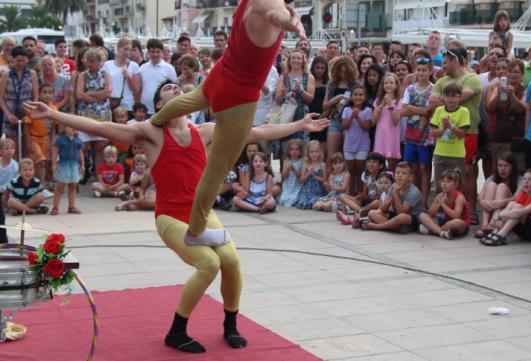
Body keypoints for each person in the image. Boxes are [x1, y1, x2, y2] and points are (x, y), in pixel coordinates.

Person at [24, 79, 329, 353]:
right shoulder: (149, 133)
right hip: (170, 216)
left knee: (232, 261)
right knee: (208, 263)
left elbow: (256, 132)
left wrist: (300, 124)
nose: (177, 90)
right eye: (169, 89)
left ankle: (230, 325)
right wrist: (52, 114)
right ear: (160, 105)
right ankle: (177, 331)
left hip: (202, 214)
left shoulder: (205, 131)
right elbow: (99, 127)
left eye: (181, 89)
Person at [147, 0, 305, 245]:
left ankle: (155, 120)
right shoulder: (273, 7)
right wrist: (292, 23)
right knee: (215, 172)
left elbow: (273, 15)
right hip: (239, 95)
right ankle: (196, 232)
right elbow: (276, 15)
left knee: (190, 99)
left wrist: (288, 18)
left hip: (222, 74)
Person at [431, 48, 482, 223]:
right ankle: (443, 212)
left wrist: (450, 126)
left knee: (467, 173)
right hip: (443, 146)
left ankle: (470, 209)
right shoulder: (443, 80)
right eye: (447, 95)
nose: (442, 64)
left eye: (446, 61)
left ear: (456, 60)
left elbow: (462, 98)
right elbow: (432, 100)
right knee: (442, 180)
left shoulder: (471, 78)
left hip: (470, 132)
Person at [480, 168, 531, 246]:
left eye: (530, 180)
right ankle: (495, 232)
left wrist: (500, 215)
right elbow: (510, 207)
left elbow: (523, 212)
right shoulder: (523, 194)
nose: (526, 182)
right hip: (525, 230)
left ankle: (501, 235)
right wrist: (500, 219)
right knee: (512, 204)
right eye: (524, 179)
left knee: (518, 208)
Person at [402, 57, 434, 205]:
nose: (421, 73)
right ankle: (411, 199)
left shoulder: (433, 89)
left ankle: (424, 200)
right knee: (410, 167)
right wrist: (421, 110)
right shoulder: (410, 89)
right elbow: (404, 109)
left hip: (425, 135)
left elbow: (429, 111)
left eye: (424, 70)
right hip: (410, 134)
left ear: (430, 71)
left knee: (424, 168)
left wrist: (413, 109)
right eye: (419, 70)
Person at [361, 162, 424, 233]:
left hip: (410, 220)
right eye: (398, 173)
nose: (400, 175)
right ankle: (393, 227)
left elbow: (402, 212)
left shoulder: (413, 192)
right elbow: (382, 209)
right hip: (396, 217)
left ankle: (376, 226)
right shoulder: (393, 187)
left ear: (410, 177)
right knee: (372, 213)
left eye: (404, 173)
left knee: (402, 217)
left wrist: (395, 195)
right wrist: (387, 203)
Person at [430, 81, 469, 193]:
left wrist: (451, 126)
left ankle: (457, 209)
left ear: (460, 97)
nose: (450, 98)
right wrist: (442, 129)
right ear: (443, 97)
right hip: (440, 154)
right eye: (447, 95)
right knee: (440, 186)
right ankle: (441, 209)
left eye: (454, 95)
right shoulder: (439, 110)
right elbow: (433, 133)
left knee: (456, 187)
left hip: (456, 155)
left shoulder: (464, 111)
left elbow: (462, 134)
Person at [76, 48, 112, 172]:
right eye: (88, 61)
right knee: (83, 146)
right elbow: (79, 95)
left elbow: (108, 93)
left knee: (99, 148)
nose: (89, 64)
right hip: (85, 114)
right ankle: (82, 173)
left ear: (99, 61)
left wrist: (90, 93)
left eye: (92, 61)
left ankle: (99, 176)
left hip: (103, 115)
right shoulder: (83, 75)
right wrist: (98, 96)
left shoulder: (106, 74)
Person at [0, 46, 39, 154]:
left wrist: (32, 109)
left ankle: (27, 170)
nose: (21, 63)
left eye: (23, 60)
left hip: (27, 111)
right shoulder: (6, 75)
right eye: (18, 60)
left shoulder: (32, 73)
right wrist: (7, 114)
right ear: (12, 59)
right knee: (13, 148)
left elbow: (35, 95)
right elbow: (1, 97)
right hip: (11, 112)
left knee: (28, 146)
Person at [476, 152, 522, 238]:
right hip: (490, 208)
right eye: (500, 166)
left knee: (502, 187)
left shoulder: (519, 179)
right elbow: (480, 195)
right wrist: (482, 201)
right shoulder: (492, 177)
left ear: (512, 167)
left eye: (506, 166)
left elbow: (517, 198)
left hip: (505, 214)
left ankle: (493, 224)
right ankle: (484, 225)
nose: (502, 169)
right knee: (491, 185)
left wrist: (498, 203)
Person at [323, 56, 359, 159]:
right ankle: (331, 175)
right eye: (340, 72)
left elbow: (361, 103)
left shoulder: (355, 84)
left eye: (345, 72)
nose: (343, 75)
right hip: (334, 120)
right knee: (331, 155)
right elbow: (324, 105)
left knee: (347, 154)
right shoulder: (331, 84)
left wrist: (351, 100)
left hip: (349, 120)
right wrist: (335, 99)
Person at [419, 169, 470, 239]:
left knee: (457, 222)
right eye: (442, 181)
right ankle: (442, 233)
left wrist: (443, 204)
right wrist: (438, 204)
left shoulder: (459, 197)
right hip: (444, 221)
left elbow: (456, 216)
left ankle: (433, 230)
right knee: (422, 215)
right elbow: (430, 213)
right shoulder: (440, 195)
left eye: (448, 181)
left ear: (456, 184)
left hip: (459, 224)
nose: (444, 184)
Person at [336, 152, 385, 225]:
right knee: (342, 196)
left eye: (374, 162)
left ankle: (358, 212)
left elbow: (381, 197)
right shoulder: (366, 175)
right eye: (369, 161)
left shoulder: (382, 178)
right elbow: (365, 193)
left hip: (376, 203)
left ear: (380, 166)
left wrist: (367, 198)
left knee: (377, 202)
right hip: (367, 202)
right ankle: (360, 211)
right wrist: (361, 196)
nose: (371, 164)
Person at [23, 83, 57, 185]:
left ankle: (43, 182)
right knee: (40, 161)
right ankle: (40, 185)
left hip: (45, 139)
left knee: (45, 161)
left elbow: (53, 129)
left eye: (50, 93)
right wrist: (28, 142)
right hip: (34, 139)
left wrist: (53, 144)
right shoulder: (34, 107)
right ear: (39, 93)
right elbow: (26, 125)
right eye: (45, 92)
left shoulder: (53, 109)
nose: (47, 95)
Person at [342, 86, 372, 194]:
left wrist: (357, 117)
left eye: (361, 95)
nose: (358, 97)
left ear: (365, 97)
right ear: (351, 97)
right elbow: (344, 126)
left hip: (362, 146)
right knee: (351, 172)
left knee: (360, 172)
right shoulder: (346, 110)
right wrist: (351, 117)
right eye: (355, 94)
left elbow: (367, 127)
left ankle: (359, 194)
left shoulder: (368, 110)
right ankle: (351, 194)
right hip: (349, 146)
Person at [50, 125, 84, 215]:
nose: (73, 127)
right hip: (63, 164)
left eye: (73, 125)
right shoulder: (60, 140)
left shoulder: (77, 140)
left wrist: (82, 165)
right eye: (70, 126)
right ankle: (55, 207)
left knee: (73, 186)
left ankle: (71, 206)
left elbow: (81, 153)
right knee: (60, 186)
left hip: (74, 165)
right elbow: (55, 152)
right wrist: (54, 163)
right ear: (64, 128)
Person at [103, 38, 141, 116]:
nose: (127, 52)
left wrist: (128, 77)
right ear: (118, 48)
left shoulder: (134, 66)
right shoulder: (107, 64)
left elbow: (136, 90)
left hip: (127, 105)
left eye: (130, 50)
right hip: (110, 104)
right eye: (125, 49)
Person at [139, 38, 177, 116]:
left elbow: (174, 88)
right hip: (144, 109)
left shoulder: (169, 69)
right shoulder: (142, 68)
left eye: (158, 52)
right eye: (152, 52)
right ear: (148, 52)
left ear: (162, 52)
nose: (155, 54)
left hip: (162, 109)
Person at [372, 73, 402, 171]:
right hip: (381, 134)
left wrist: (390, 105)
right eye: (386, 83)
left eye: (391, 83)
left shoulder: (399, 101)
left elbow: (395, 120)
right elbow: (373, 120)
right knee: (378, 161)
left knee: (391, 162)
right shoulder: (378, 100)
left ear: (396, 85)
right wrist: (381, 105)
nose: (388, 85)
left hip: (392, 134)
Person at [294, 140, 326, 210]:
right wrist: (308, 174)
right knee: (303, 203)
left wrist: (315, 176)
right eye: (311, 152)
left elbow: (324, 179)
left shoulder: (322, 165)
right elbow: (301, 180)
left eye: (316, 151)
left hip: (318, 190)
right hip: (306, 190)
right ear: (308, 153)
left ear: (320, 152)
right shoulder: (305, 164)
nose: (314, 154)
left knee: (314, 202)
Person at [0, 139, 18, 242]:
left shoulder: (15, 166)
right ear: (1, 151)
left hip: (10, 190)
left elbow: (16, 182)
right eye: (6, 148)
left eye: (12, 148)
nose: (9, 150)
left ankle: (9, 206)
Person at [278, 138, 303, 207]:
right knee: (282, 200)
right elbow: (284, 176)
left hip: (297, 186)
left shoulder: (302, 161)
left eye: (296, 149)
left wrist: (294, 169)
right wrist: (287, 169)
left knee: (292, 200)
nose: (294, 151)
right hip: (287, 186)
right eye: (291, 149)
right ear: (288, 151)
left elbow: (300, 175)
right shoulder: (286, 161)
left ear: (300, 151)